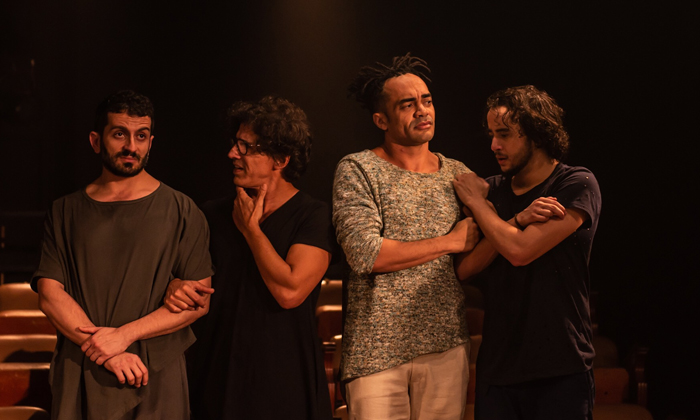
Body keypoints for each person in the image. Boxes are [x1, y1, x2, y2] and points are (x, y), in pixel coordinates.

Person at [32, 89, 215, 420]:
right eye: (119, 134)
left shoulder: (182, 210)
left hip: (154, 372)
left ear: (150, 142)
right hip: (82, 368)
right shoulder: (64, 211)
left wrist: (124, 336)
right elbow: (49, 294)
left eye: (141, 136)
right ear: (96, 141)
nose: (131, 146)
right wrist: (108, 352)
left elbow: (198, 303)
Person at [168, 96, 335, 420]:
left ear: (280, 159)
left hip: (284, 380)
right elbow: (182, 279)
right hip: (217, 376)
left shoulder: (312, 216)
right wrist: (174, 285)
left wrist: (252, 231)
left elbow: (290, 291)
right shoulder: (211, 214)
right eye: (235, 143)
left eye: (246, 147)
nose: (232, 153)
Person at [332, 53, 479, 420]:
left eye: (426, 100)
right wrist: (449, 241)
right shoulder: (358, 168)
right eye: (407, 104)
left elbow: (470, 261)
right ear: (381, 120)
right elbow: (366, 254)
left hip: (445, 345)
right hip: (376, 352)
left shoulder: (459, 174)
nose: (422, 110)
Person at [453, 85, 601, 420]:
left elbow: (520, 251)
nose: (494, 145)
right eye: (492, 134)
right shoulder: (493, 190)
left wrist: (477, 204)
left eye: (504, 134)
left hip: (560, 368)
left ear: (537, 135)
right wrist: (517, 219)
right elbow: (464, 269)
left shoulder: (575, 183)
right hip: (498, 369)